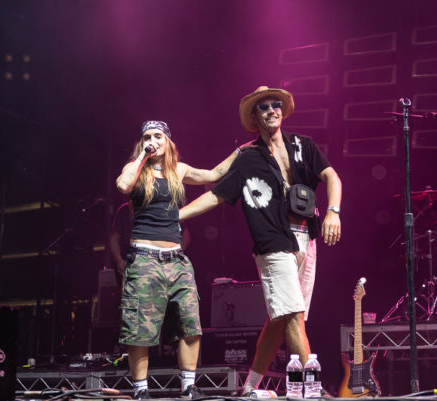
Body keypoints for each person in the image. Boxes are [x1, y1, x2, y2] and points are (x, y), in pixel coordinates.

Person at [179, 86, 342, 394]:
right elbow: (216, 195)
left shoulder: (303, 145)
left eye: (275, 104)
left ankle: (248, 388)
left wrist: (333, 212)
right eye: (263, 107)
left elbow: (332, 176)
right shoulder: (248, 156)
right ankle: (312, 389)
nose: (271, 110)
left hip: (306, 238)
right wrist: (177, 215)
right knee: (292, 314)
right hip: (272, 241)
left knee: (278, 319)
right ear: (254, 117)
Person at [115, 120, 251, 399]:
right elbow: (123, 185)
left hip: (176, 259)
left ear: (168, 142)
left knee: (190, 323)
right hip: (144, 259)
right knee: (139, 328)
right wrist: (141, 157)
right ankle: (141, 390)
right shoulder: (135, 169)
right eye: (146, 137)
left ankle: (188, 386)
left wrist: (240, 152)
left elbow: (214, 174)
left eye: (157, 136)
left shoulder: (179, 169)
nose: (152, 141)